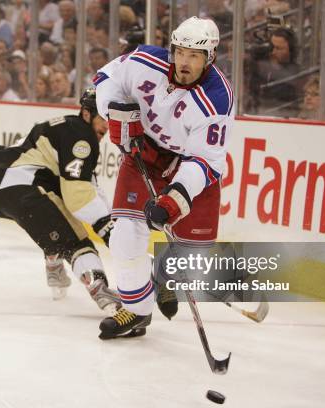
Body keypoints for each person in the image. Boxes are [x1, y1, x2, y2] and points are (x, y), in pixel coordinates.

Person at [94, 17, 234, 339]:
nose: (184, 62)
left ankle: (162, 280)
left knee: (191, 257)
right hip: (143, 155)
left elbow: (206, 160)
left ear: (210, 57)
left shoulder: (216, 99)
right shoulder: (144, 61)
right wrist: (114, 109)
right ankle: (138, 310)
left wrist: (174, 200)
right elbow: (105, 78)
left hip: (188, 167)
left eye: (194, 56)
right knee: (124, 237)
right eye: (181, 52)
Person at [0, 89, 120, 313]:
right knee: (77, 241)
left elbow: (89, 187)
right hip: (21, 187)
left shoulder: (67, 128)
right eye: (104, 119)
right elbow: (79, 196)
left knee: (56, 216)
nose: (107, 127)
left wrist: (109, 222)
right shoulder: (82, 137)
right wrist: (108, 229)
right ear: (86, 113)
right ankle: (100, 290)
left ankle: (53, 260)